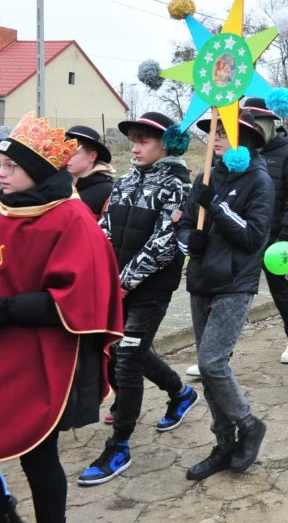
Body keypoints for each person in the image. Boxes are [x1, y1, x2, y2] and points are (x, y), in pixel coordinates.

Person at [0, 114, 122, 521]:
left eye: (11, 166)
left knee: (37, 455)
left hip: (43, 352)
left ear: (34, 170)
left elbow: (78, 300)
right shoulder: (4, 207)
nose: (1, 173)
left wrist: (8, 308)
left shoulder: (73, 219)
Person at [78, 112, 198, 487]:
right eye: (133, 139)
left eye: (144, 140)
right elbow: (105, 229)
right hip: (114, 284)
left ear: (167, 144)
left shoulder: (178, 186)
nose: (135, 147)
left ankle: (119, 445)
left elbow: (165, 242)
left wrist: (125, 280)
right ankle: (180, 392)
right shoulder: (126, 181)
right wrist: (94, 270)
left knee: (127, 359)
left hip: (151, 288)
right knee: (127, 349)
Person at [176, 112, 273, 480]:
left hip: (236, 281)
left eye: (222, 132)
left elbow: (252, 237)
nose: (213, 139)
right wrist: (189, 240)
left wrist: (215, 204)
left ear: (244, 140)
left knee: (212, 363)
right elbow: (186, 224)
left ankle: (249, 425)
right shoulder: (204, 175)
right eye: (212, 133)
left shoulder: (259, 181)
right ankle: (224, 443)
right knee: (208, 366)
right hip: (201, 279)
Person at [244, 98, 288, 365]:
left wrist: (287, 232)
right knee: (234, 290)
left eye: (256, 124)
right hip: (245, 232)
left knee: (278, 288)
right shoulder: (242, 152)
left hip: (275, 233)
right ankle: (217, 351)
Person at [64, 125, 115, 219]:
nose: (66, 157)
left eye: (74, 153)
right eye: (65, 151)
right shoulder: (58, 187)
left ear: (92, 156)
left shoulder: (108, 192)